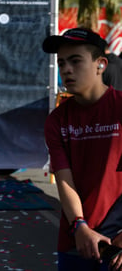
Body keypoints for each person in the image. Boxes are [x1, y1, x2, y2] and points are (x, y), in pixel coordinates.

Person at [42, 28, 122, 270]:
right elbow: (64, 180)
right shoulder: (56, 120)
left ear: (101, 64)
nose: (66, 69)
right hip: (76, 241)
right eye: (62, 62)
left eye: (76, 61)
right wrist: (79, 225)